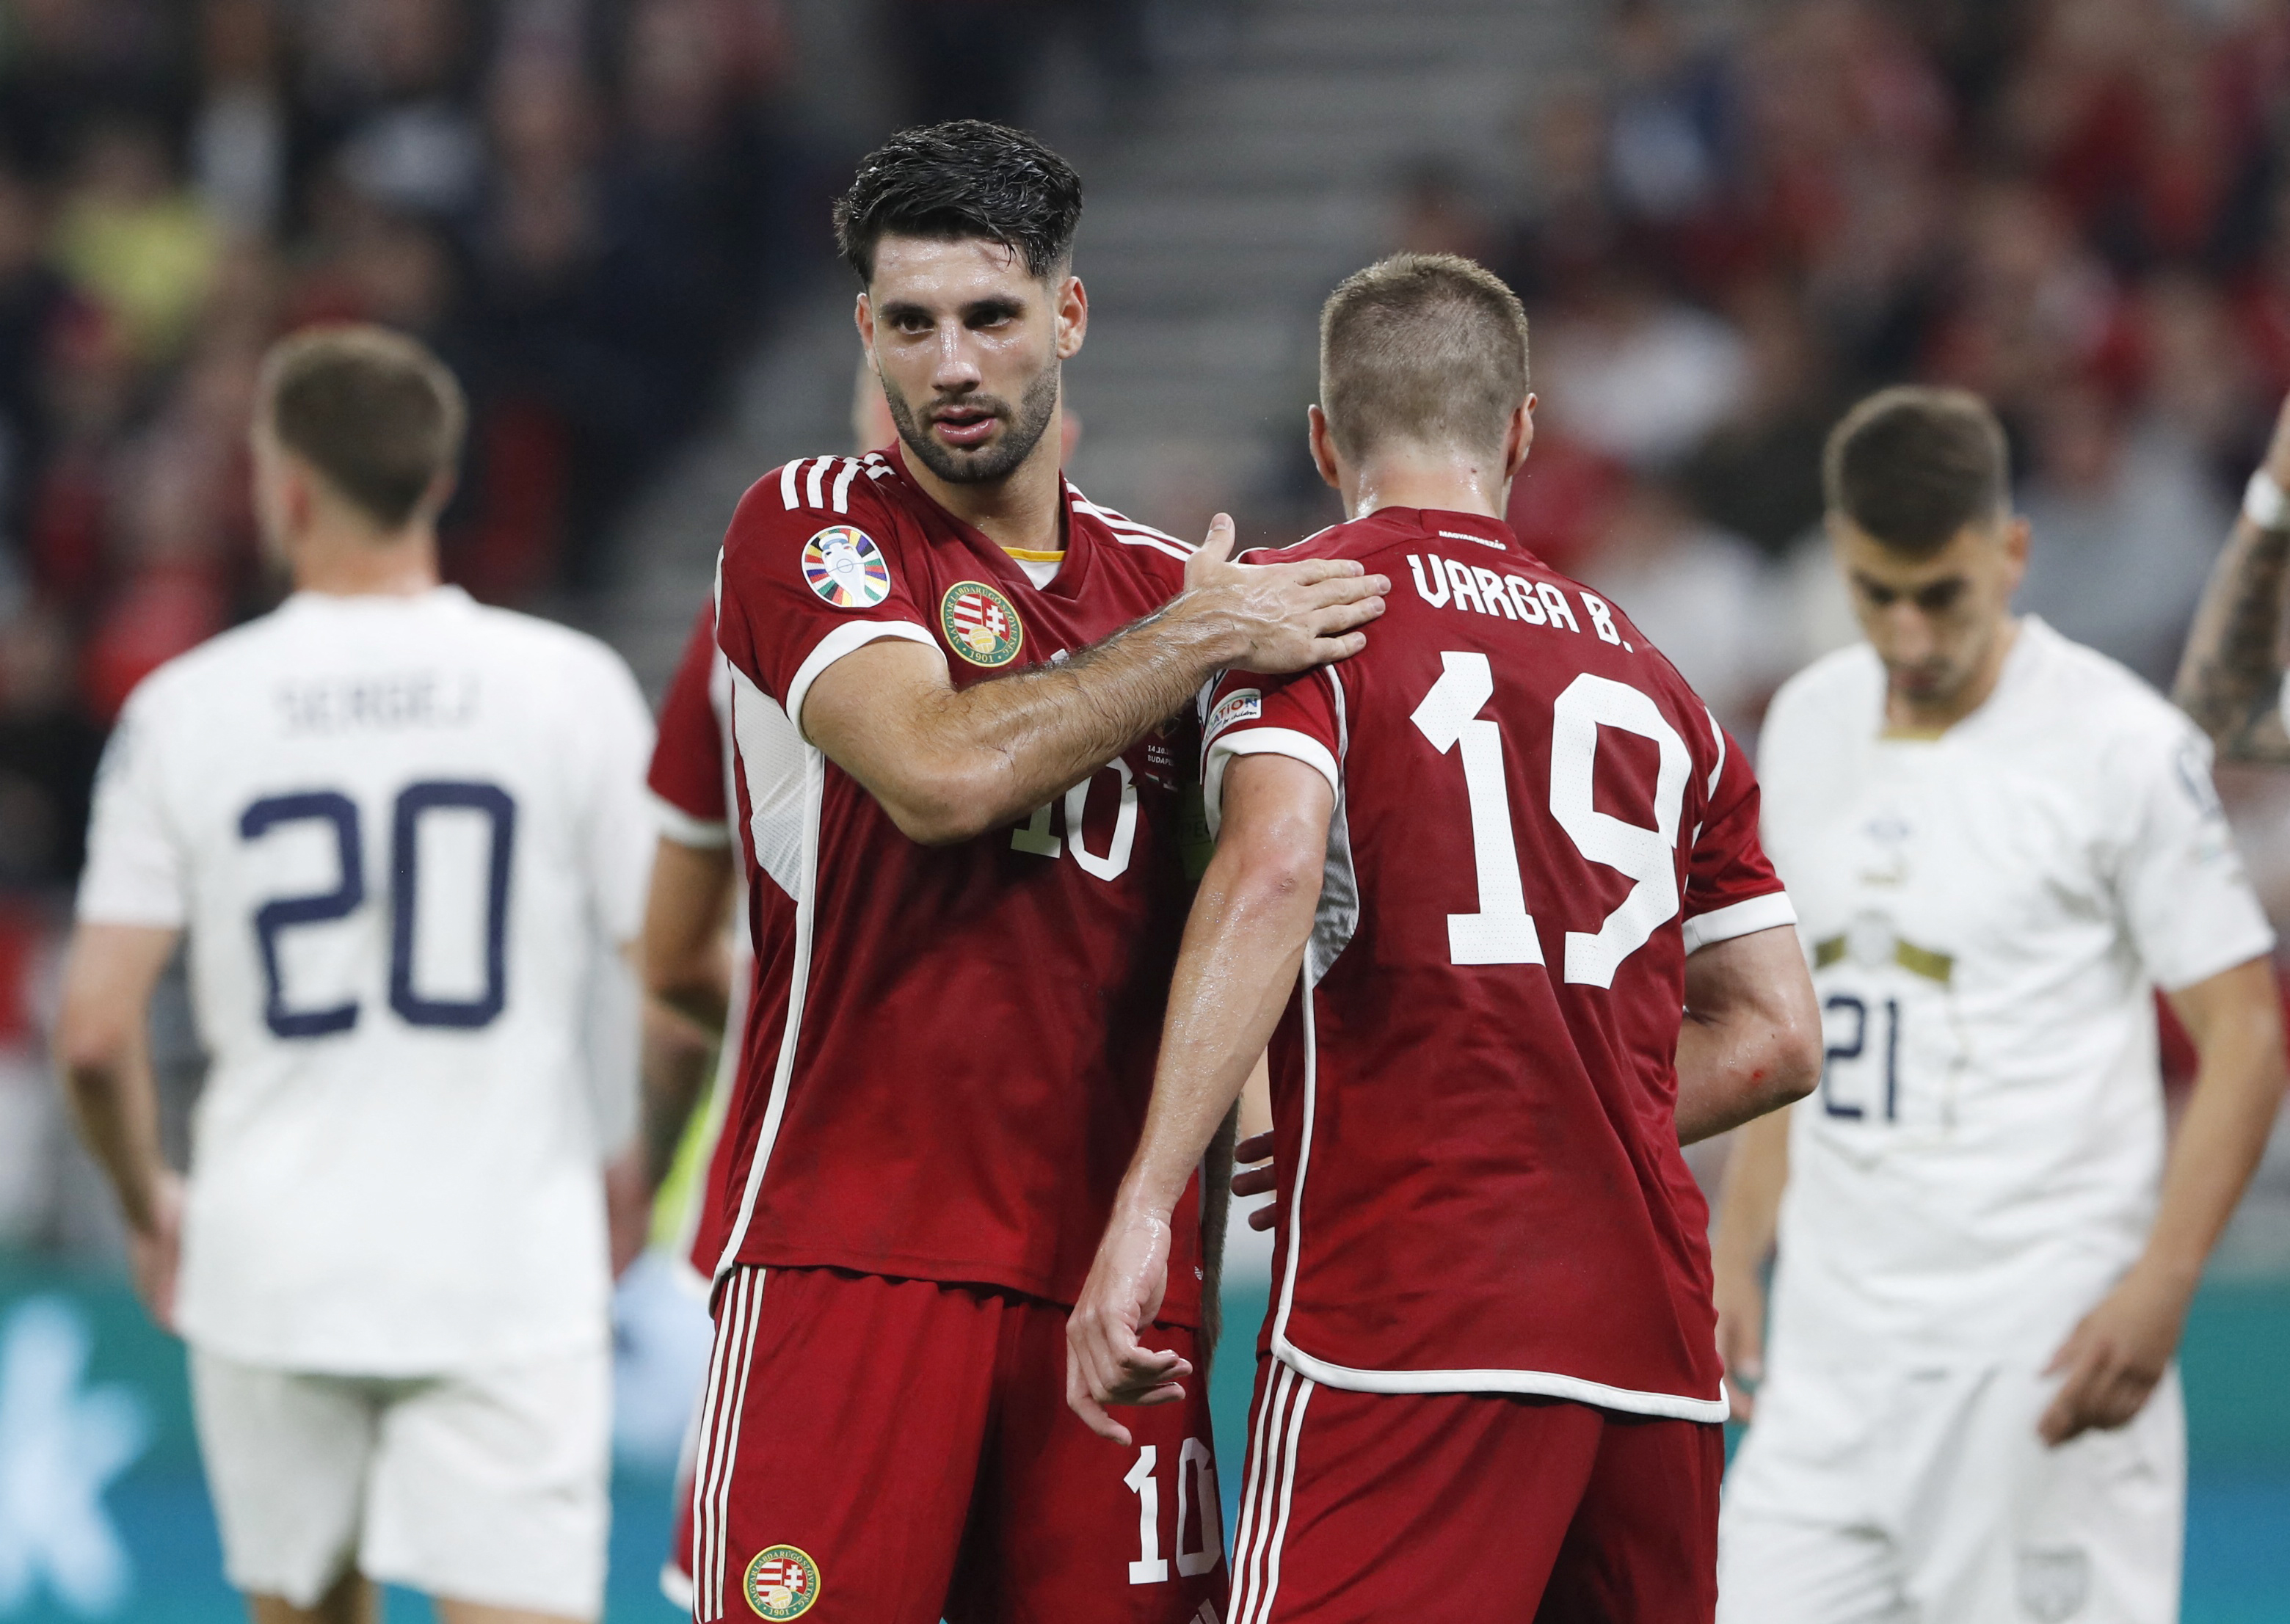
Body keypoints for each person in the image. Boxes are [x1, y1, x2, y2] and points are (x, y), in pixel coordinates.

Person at [686, 120, 1386, 1624]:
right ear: (865, 329)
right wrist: (1199, 639)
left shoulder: (1159, 586)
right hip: (855, 1259)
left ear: (1067, 317)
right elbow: (941, 776)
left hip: (1114, 1288)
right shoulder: (813, 528)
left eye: (992, 317)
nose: (953, 365)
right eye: (914, 323)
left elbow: (1252, 891)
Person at [1066, 252, 1822, 1623]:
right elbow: (1776, 1035)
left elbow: (1274, 865)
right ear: (1523, 432)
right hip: (1652, 1349)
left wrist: (1144, 1198)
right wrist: (1572, 1109)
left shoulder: (1300, 612)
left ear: (1322, 436)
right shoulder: (1662, 684)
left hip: (1410, 1319)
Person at [51, 324, 657, 1624]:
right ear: (439, 482)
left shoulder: (189, 707)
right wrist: (636, 1163)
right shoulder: (569, 690)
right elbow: (680, 979)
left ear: (285, 486)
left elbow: (94, 1033)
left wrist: (147, 1195)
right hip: (509, 1245)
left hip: (272, 1250)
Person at [1714, 385, 2289, 1623]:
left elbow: (2247, 1030)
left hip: (2037, 1347)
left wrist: (2163, 1283)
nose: (1910, 633)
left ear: (2012, 553)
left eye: (1943, 595)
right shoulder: (1808, 722)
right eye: (1878, 594)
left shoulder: (2120, 746)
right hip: (1827, 1362)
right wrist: (1740, 1237)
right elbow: (1801, 1001)